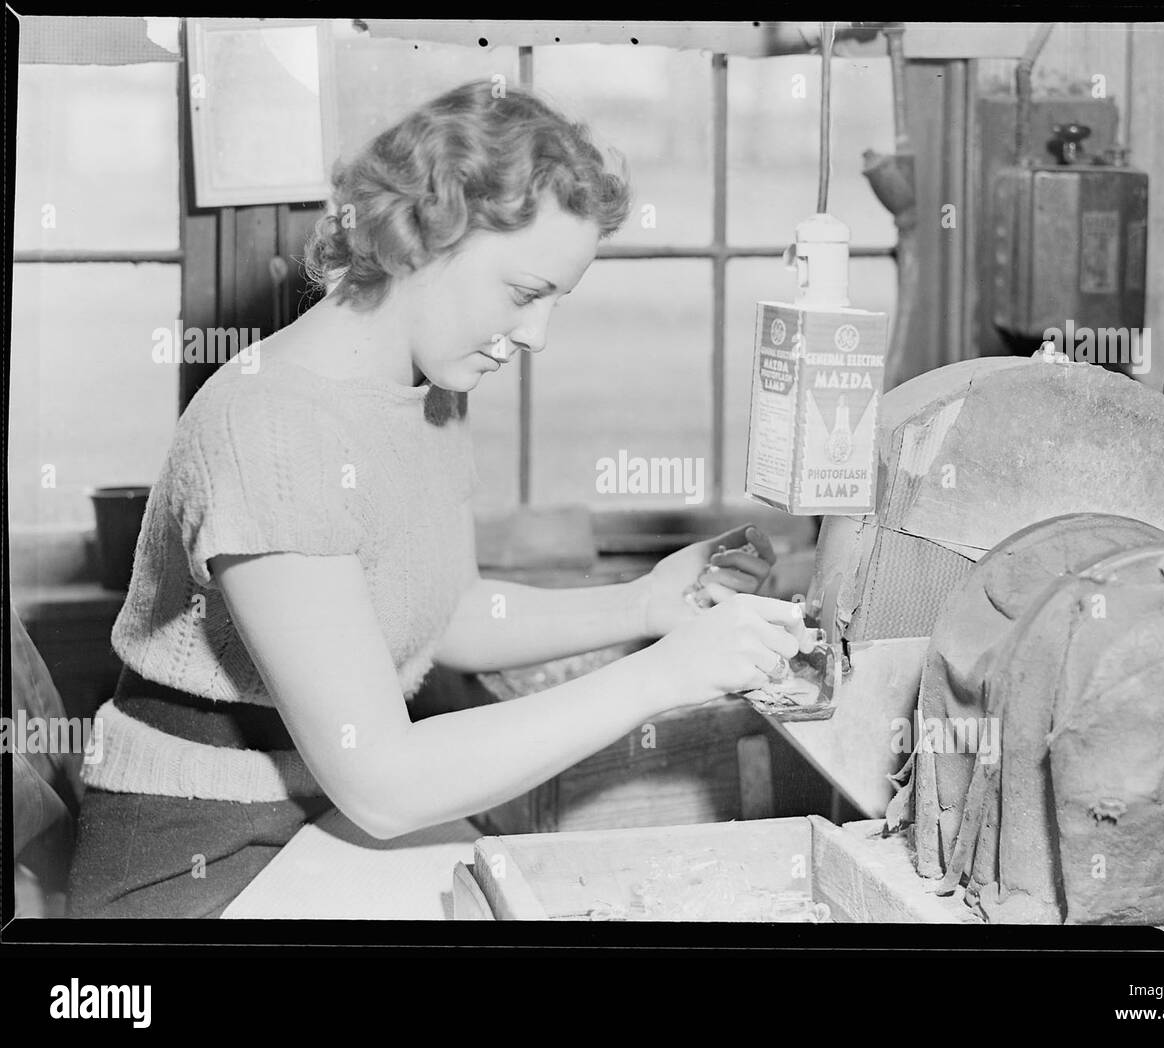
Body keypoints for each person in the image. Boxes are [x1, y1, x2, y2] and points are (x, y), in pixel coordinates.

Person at [67, 80, 813, 918]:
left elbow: (447, 614)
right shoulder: (271, 428)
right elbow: (384, 784)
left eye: (557, 301)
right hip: (196, 859)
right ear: (421, 239)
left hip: (321, 819)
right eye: (526, 293)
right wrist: (663, 676)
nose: (536, 336)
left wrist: (647, 604)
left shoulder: (426, 389)